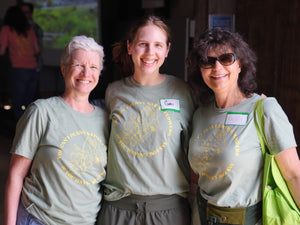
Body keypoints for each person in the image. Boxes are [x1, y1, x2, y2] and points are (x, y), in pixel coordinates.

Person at [186, 27, 300, 225]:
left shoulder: (265, 109)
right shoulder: (199, 114)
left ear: (239, 64)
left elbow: (293, 175)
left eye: (226, 58)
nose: (217, 67)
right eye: (208, 61)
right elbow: (196, 178)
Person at [97, 15, 195, 225]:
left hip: (168, 211)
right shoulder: (113, 92)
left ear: (167, 50)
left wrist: (250, 103)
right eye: (143, 44)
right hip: (118, 209)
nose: (150, 52)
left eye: (158, 45)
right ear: (130, 47)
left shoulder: (182, 91)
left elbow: (198, 150)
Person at [4, 35, 108, 225]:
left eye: (93, 67)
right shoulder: (41, 111)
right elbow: (16, 174)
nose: (86, 73)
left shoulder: (105, 120)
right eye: (78, 65)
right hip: (39, 219)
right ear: (64, 68)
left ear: (99, 73)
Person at [0, 6, 40, 121]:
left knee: (18, 103)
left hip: (19, 69)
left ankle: (22, 132)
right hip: (33, 69)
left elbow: (1, 51)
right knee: (30, 104)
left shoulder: (7, 29)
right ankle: (32, 131)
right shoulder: (29, 29)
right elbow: (37, 50)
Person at [20, 2, 44, 99]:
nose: (24, 15)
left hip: (33, 66)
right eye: (22, 13)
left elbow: (38, 49)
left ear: (31, 14)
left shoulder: (35, 28)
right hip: (19, 66)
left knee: (31, 96)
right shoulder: (16, 28)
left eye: (26, 12)